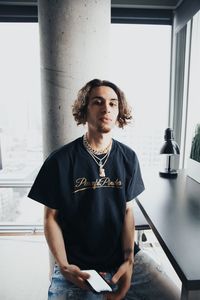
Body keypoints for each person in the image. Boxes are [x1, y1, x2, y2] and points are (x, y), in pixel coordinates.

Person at [28, 79, 180, 300]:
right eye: (97, 102)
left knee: (175, 296)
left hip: (124, 258)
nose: (106, 108)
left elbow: (127, 210)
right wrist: (63, 265)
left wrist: (128, 259)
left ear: (119, 112)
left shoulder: (128, 158)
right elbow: (50, 218)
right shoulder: (60, 160)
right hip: (78, 265)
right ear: (84, 109)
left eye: (113, 103)